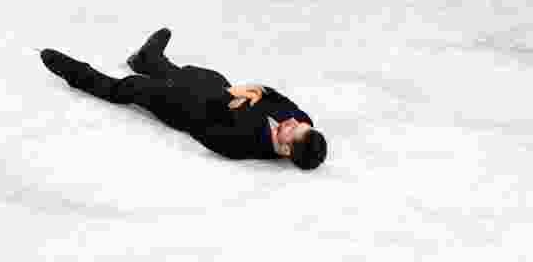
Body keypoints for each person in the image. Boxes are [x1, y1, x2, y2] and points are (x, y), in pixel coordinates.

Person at [39, 28, 327, 170]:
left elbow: (204, 128)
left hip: (181, 108)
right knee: (178, 72)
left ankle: (75, 73)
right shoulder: (302, 123)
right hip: (210, 86)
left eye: (293, 129)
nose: (292, 121)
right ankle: (147, 58)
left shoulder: (243, 145)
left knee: (127, 87)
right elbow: (281, 102)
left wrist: (230, 100)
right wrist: (259, 91)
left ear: (287, 150)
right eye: (301, 124)